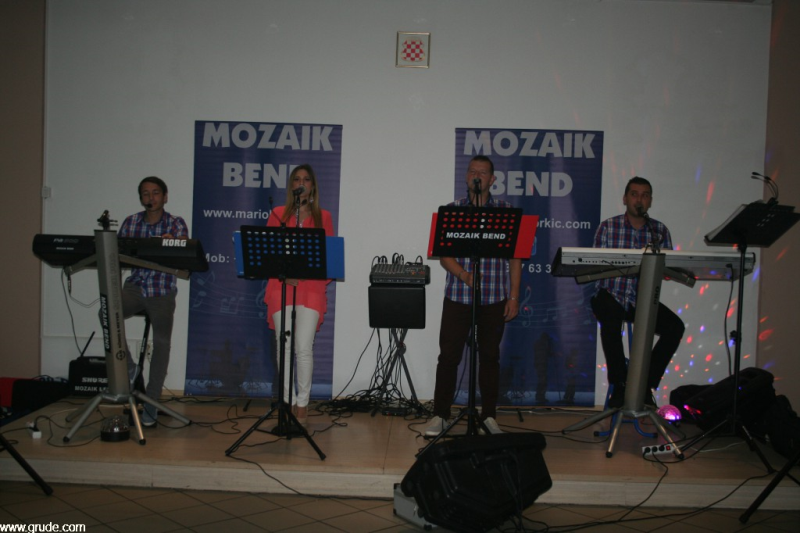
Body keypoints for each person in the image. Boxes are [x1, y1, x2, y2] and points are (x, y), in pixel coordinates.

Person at [425, 155, 522, 436]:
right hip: (458, 296)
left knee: (490, 357)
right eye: (472, 171)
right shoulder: (452, 210)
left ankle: (488, 416)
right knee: (448, 357)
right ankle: (440, 415)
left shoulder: (506, 212)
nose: (476, 175)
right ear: (466, 176)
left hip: (494, 298)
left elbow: (516, 257)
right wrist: (464, 275)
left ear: (492, 179)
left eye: (483, 172)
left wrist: (513, 296)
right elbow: (444, 254)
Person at [591, 176, 685, 408]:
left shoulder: (659, 230)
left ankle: (644, 385)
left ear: (650, 201)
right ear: (625, 199)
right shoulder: (608, 226)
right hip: (611, 294)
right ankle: (620, 385)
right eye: (634, 194)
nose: (639, 199)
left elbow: (667, 270)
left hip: (641, 300)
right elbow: (594, 266)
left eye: (644, 195)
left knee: (675, 327)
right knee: (610, 315)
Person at [264, 164, 334, 425]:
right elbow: (266, 254)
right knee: (284, 347)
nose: (301, 183)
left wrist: (304, 274)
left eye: (306, 179)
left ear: (312, 186)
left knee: (303, 348)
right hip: (281, 287)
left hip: (311, 289)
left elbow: (328, 259)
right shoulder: (277, 214)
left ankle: (302, 404)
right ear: (291, 185)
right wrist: (284, 274)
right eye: (296, 179)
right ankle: (286, 401)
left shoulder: (323, 216)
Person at [118, 176, 188, 427]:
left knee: (161, 342)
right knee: (107, 312)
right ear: (141, 198)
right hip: (135, 287)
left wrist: (171, 245)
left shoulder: (176, 223)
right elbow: (117, 255)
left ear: (165, 197)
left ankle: (152, 400)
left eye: (156, 193)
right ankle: (130, 368)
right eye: (146, 194)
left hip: (161, 290)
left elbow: (183, 256)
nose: (151, 198)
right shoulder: (130, 222)